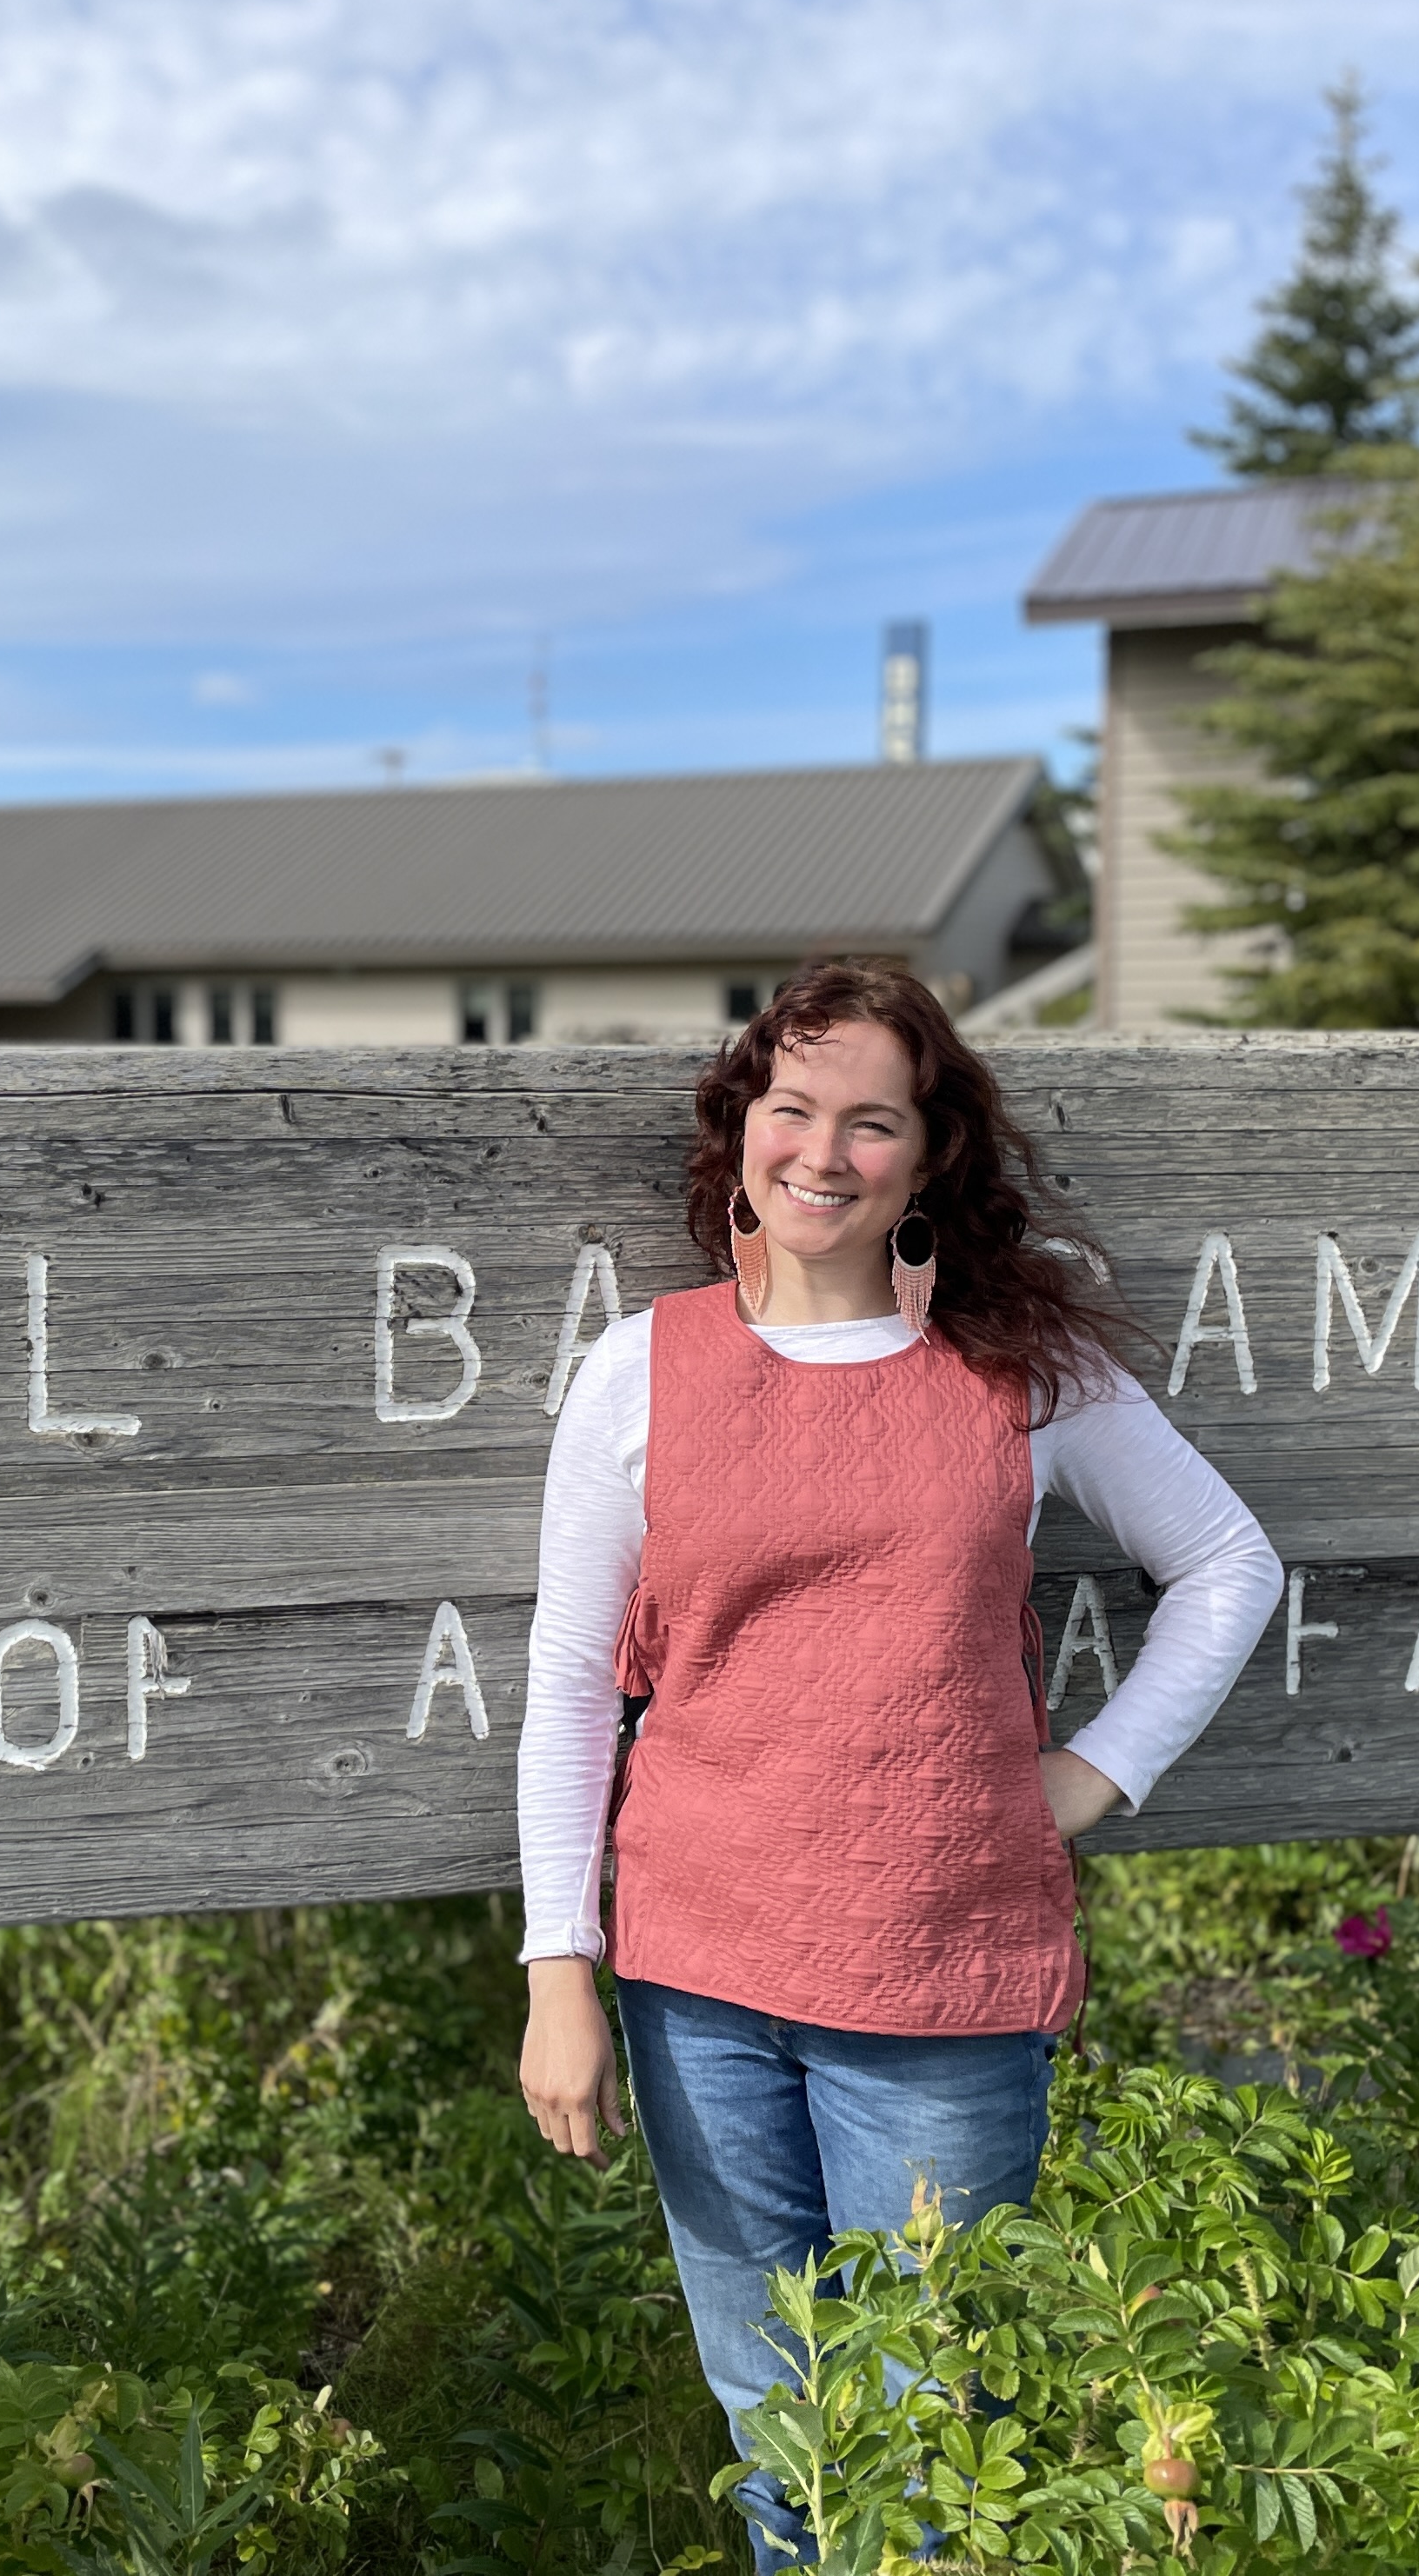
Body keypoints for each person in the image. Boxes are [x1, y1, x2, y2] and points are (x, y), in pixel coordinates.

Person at [512, 959, 1280, 2569]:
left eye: (873, 1123)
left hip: (944, 1990)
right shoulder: (641, 1371)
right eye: (792, 1109)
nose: (822, 1152)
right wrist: (558, 1971)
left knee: (939, 2449)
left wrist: (1090, 1775)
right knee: (779, 2436)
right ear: (743, 1129)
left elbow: (1228, 1564)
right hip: (696, 1981)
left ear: (928, 1162)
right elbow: (576, 1686)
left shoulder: (1018, 1371)